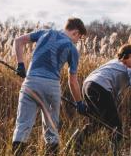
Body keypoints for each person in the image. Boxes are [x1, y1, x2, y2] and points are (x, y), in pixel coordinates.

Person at [11, 18, 87, 155]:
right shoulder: (72, 49)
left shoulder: (45, 33)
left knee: (22, 127)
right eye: (79, 38)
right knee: (51, 131)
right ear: (75, 32)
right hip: (51, 88)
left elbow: (18, 41)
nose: (77, 41)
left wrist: (20, 64)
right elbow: (73, 81)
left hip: (30, 83)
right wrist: (79, 102)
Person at [74, 55, 131, 151]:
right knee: (116, 128)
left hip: (88, 84)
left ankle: (73, 145)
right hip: (101, 86)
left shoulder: (119, 60)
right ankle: (114, 152)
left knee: (96, 122)